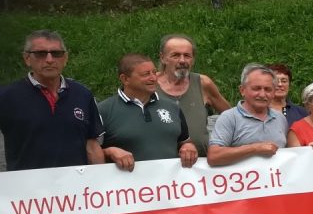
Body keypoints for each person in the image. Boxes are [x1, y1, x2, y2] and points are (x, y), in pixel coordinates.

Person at [0, 30, 104, 171]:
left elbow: (91, 145)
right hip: (27, 189)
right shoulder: (7, 97)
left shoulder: (83, 94)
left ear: (65, 58)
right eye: (40, 54)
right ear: (27, 58)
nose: (49, 59)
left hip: (75, 187)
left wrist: (99, 182)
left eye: (56, 53)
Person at [99, 53, 198, 170]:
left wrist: (189, 147)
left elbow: (184, 141)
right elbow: (90, 151)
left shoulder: (172, 107)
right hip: (127, 186)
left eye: (154, 72)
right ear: (125, 79)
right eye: (146, 74)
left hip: (169, 185)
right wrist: (109, 152)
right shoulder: (103, 110)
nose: (153, 78)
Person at [155, 33, 231, 156]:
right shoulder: (149, 86)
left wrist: (221, 142)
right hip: (163, 165)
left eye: (187, 55)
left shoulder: (202, 83)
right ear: (163, 58)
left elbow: (230, 115)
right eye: (175, 55)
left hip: (200, 166)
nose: (182, 60)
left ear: (193, 59)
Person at [207, 64, 289, 166]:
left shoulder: (280, 118)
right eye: (256, 89)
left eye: (268, 89)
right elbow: (214, 156)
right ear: (242, 90)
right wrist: (254, 148)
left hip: (274, 179)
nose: (262, 94)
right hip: (242, 180)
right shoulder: (229, 117)